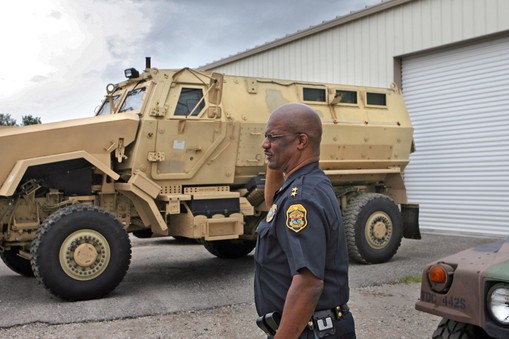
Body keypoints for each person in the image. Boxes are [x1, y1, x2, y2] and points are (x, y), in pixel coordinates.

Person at [254, 103, 356, 339]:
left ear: (301, 141)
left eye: (273, 137)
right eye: (265, 136)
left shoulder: (302, 198)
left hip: (309, 332)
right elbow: (273, 205)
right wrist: (274, 158)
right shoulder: (305, 184)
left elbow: (308, 284)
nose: (264, 143)